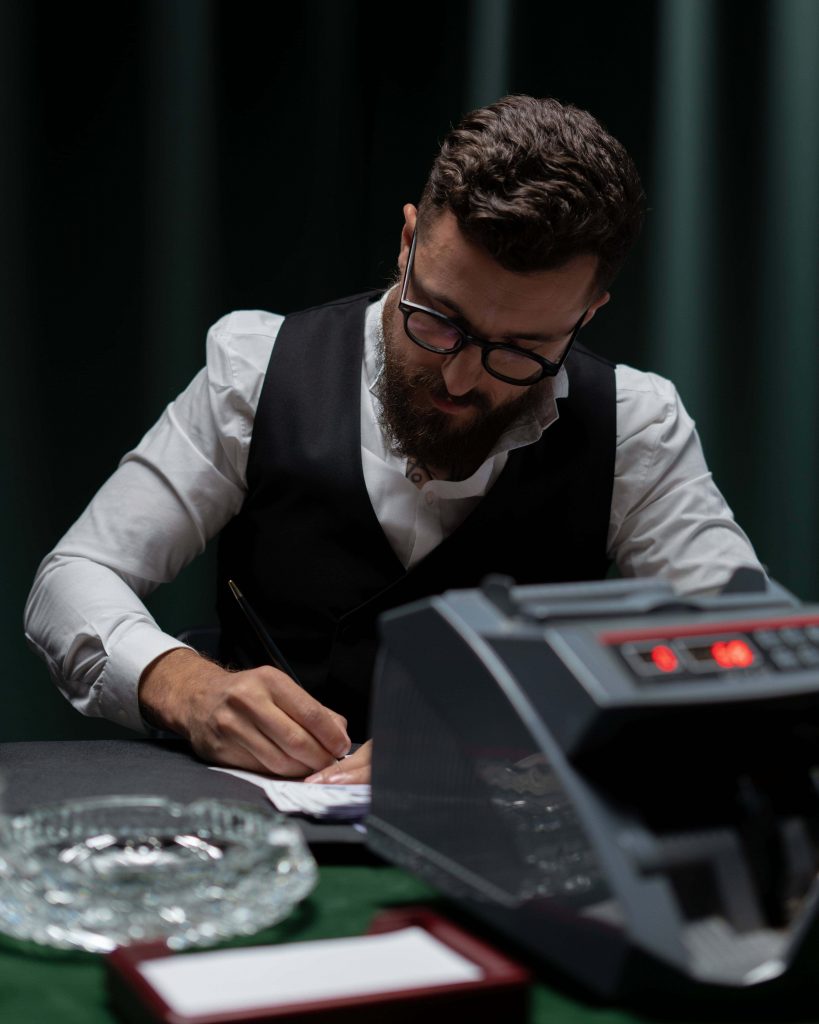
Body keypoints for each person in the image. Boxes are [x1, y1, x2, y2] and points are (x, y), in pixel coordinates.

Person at [25, 95, 762, 786]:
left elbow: (743, 654)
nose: (460, 378)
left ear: (588, 313)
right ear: (410, 241)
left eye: (520, 349)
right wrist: (185, 687)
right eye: (439, 318)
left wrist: (535, 720)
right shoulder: (255, 369)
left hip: (508, 841)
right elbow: (73, 576)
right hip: (260, 825)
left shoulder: (636, 426)